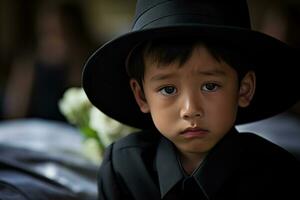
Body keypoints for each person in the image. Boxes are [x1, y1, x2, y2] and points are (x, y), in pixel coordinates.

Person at [82, 0, 300, 199]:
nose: (190, 109)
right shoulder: (123, 168)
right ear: (141, 95)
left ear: (244, 89)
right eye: (168, 89)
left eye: (210, 86)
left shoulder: (278, 173)